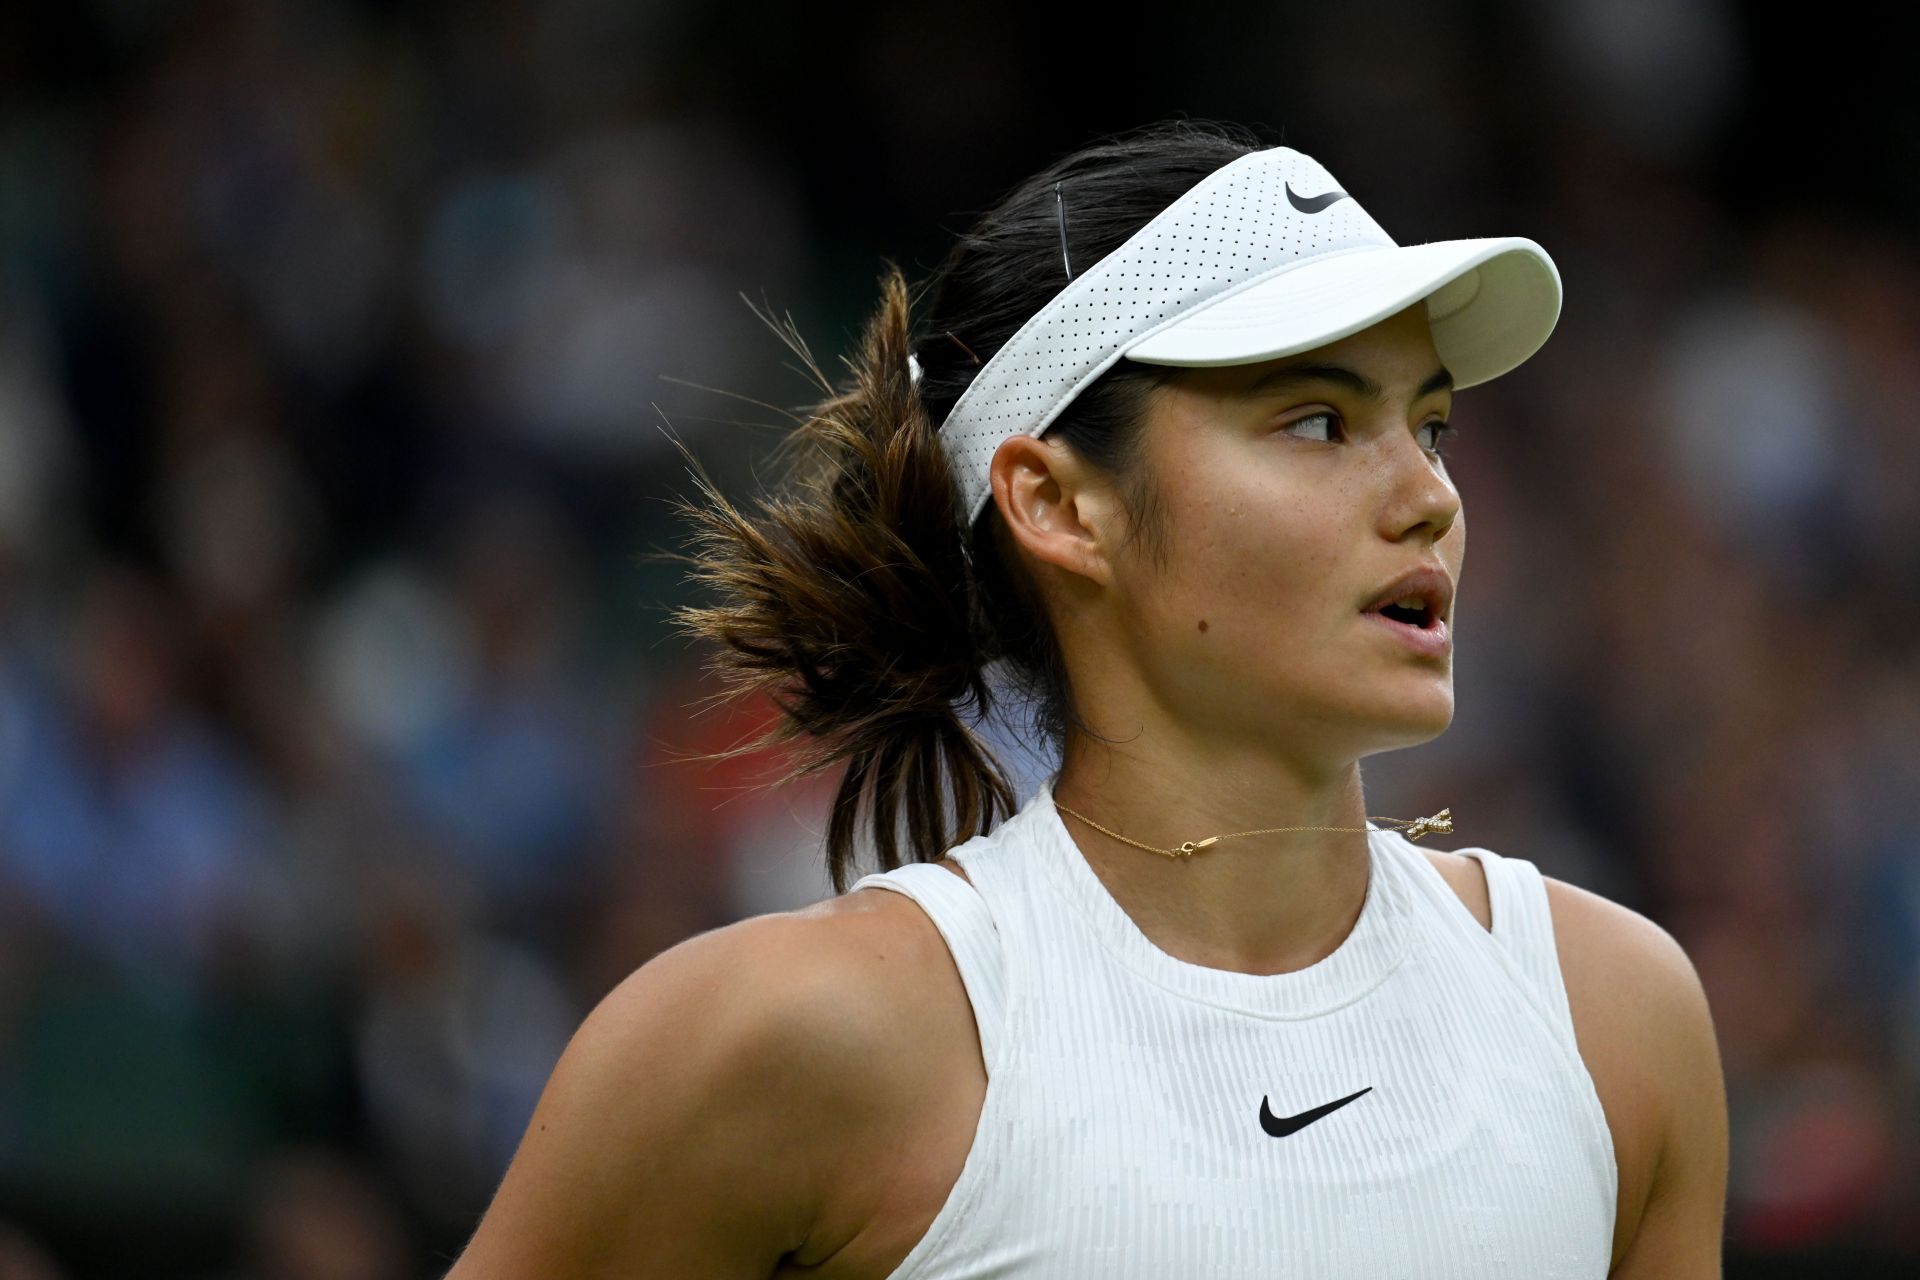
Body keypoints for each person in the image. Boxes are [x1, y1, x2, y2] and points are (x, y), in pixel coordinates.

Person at [443, 120, 1728, 1278]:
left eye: (1430, 424)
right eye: (1318, 422)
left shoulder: (1620, 1017)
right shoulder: (792, 1036)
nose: (1430, 495)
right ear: (1057, 504)